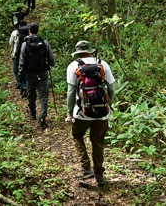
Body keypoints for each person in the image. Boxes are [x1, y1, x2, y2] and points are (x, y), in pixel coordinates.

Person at [65, 40, 116, 187]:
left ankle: (86, 168)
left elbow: (71, 92)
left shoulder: (73, 66)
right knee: (98, 142)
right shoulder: (103, 64)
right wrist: (108, 104)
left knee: (77, 135)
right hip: (102, 113)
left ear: (77, 52)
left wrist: (69, 113)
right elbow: (112, 89)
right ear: (90, 51)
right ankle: (99, 175)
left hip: (82, 113)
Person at [19, 23, 55, 129]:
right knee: (43, 96)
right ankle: (43, 117)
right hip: (43, 72)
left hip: (30, 73)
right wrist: (51, 64)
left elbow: (22, 58)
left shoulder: (25, 43)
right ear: (37, 30)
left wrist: (21, 71)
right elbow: (50, 57)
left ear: (29, 31)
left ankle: (33, 112)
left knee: (31, 93)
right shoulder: (44, 42)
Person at [9, 20, 29, 96]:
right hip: (26, 56)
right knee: (25, 70)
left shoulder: (15, 33)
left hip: (17, 55)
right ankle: (26, 85)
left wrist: (12, 53)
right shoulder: (29, 32)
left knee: (16, 70)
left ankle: (22, 85)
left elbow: (11, 43)